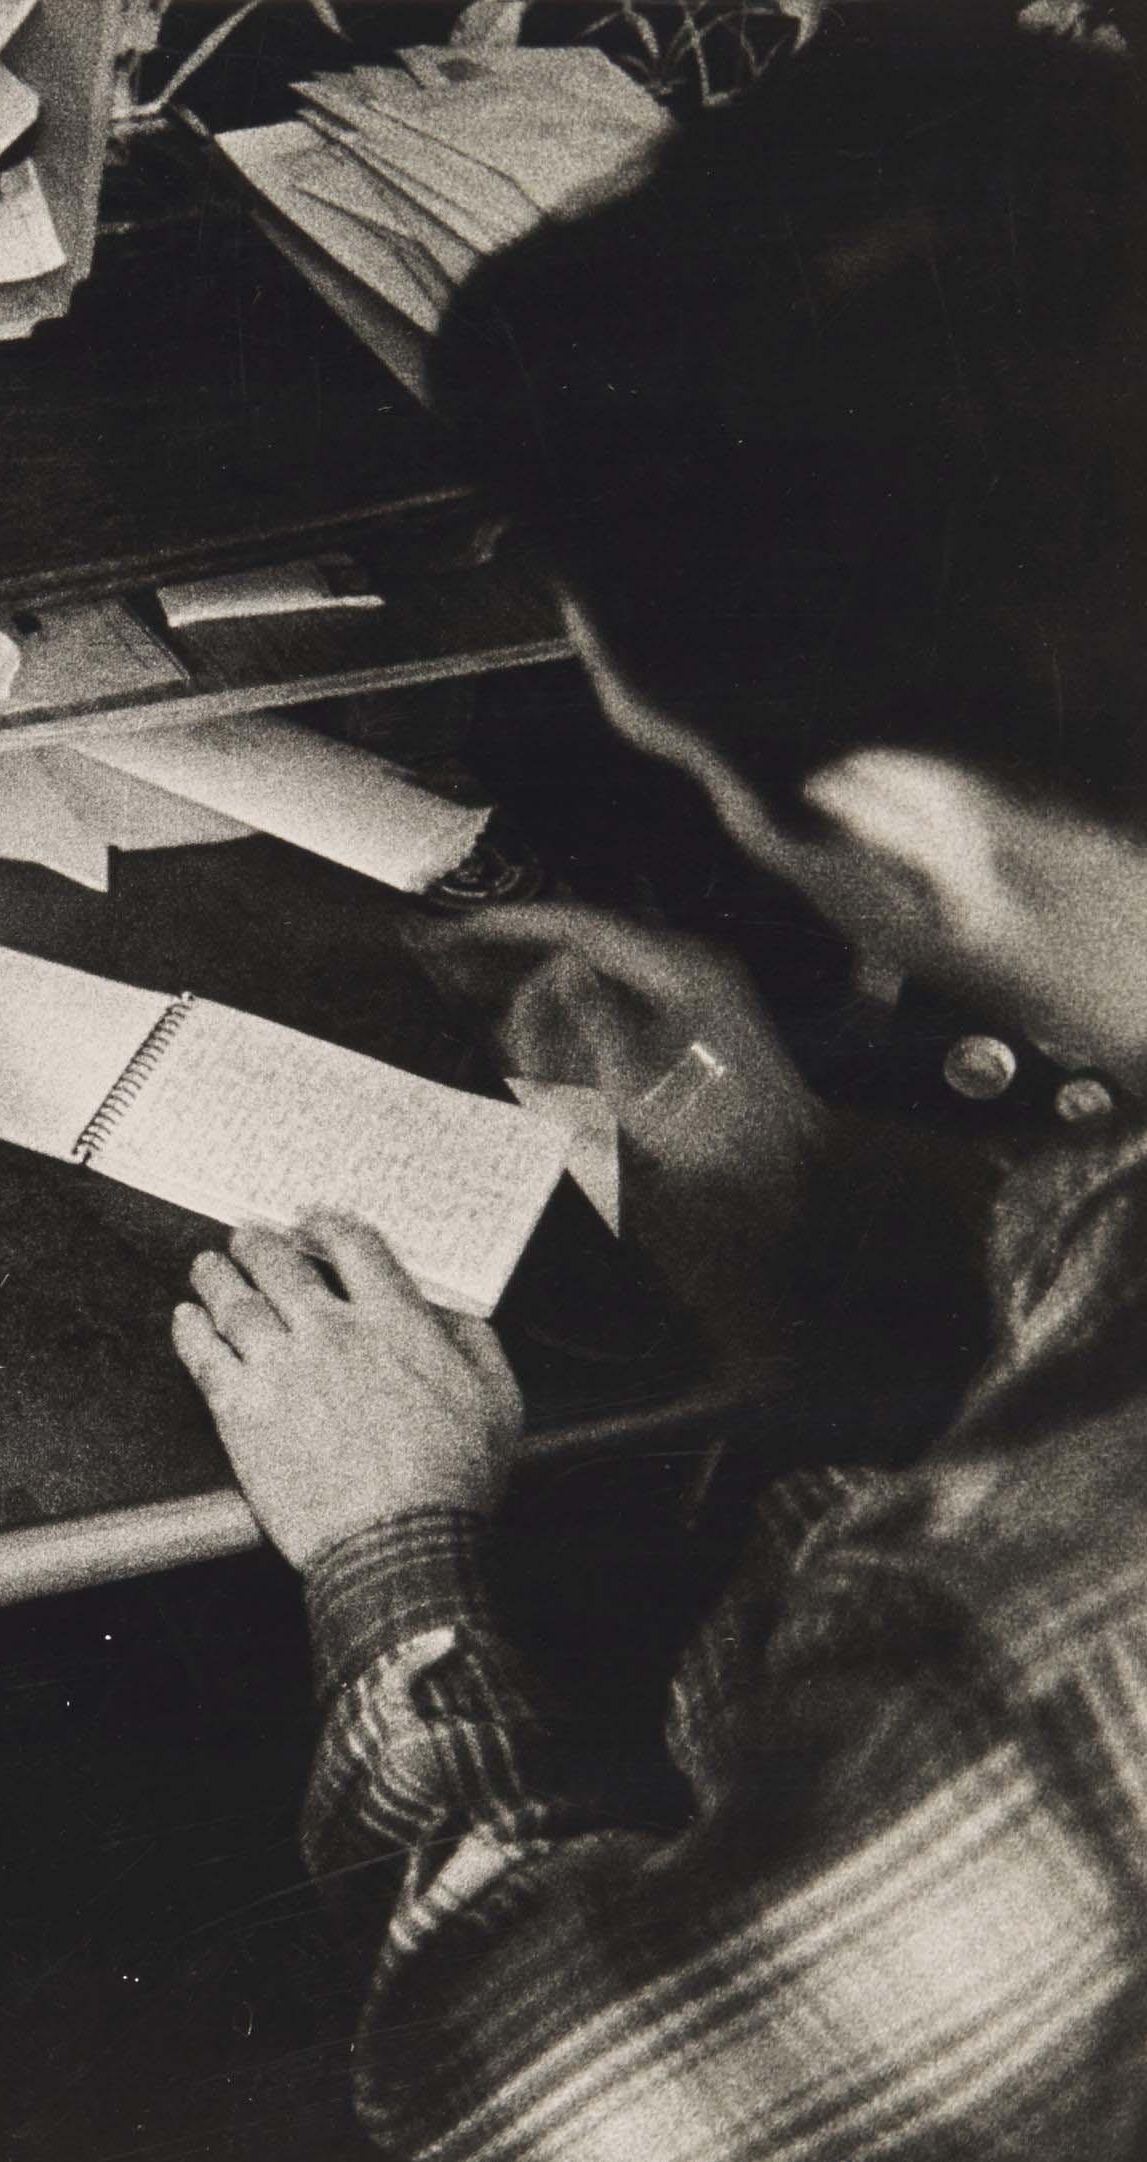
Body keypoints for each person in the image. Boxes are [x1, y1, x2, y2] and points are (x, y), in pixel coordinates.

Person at [168, 17, 1147, 2159]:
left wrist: (390, 1549)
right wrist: (814, 1214)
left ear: (908, 841)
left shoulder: (1047, 1643)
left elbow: (553, 2109)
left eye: (688, 769)